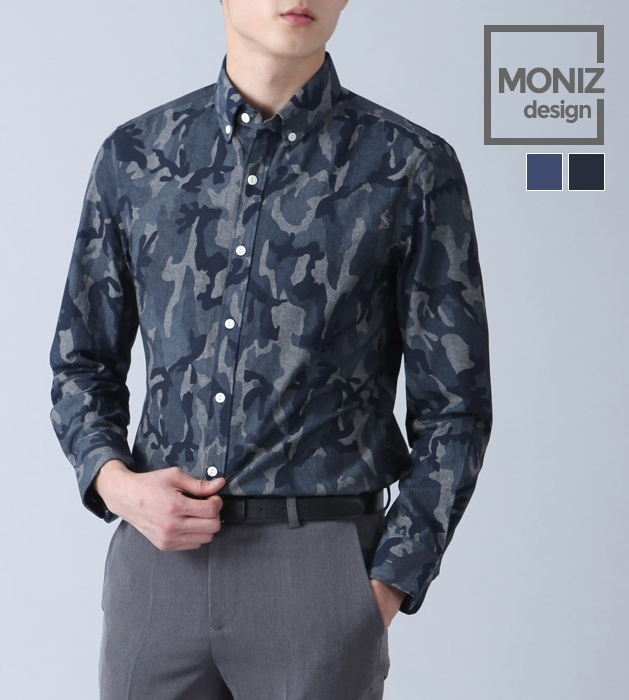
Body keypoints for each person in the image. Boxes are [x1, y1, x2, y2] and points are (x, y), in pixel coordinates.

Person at [48, 1, 493, 698]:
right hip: (157, 577)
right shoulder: (136, 159)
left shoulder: (409, 168)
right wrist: (117, 485)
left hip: (317, 577)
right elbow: (81, 364)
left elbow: (456, 408)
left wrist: (380, 590)